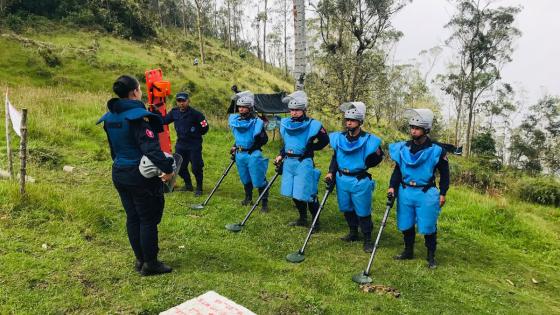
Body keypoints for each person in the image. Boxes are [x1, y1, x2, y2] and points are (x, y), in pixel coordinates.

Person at [97, 75, 174, 276]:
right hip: (139, 174)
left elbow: (113, 148)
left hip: (119, 171)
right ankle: (150, 263)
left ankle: (140, 259)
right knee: (148, 218)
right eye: (139, 89)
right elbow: (150, 148)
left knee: (133, 217)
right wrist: (167, 168)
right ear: (134, 92)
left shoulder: (110, 117)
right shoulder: (138, 117)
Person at [388, 108, 450, 269]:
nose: (413, 131)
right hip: (406, 190)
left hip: (426, 192)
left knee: (429, 225)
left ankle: (431, 256)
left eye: (417, 128)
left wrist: (443, 193)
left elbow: (445, 173)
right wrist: (392, 187)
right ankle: (408, 251)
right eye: (412, 128)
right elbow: (397, 170)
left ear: (426, 130)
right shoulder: (404, 148)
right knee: (406, 223)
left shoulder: (437, 150)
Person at [325, 102, 384, 253]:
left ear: (359, 122)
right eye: (347, 120)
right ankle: (353, 232)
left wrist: (366, 162)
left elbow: (377, 158)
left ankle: (368, 239)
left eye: (352, 120)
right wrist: (331, 171)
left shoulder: (369, 140)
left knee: (363, 211)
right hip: (342, 178)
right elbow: (335, 157)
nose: (348, 122)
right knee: (347, 208)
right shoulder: (339, 138)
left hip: (359, 180)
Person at [274, 91, 329, 230]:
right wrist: (281, 154)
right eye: (292, 110)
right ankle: (302, 218)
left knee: (309, 193)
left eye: (297, 110)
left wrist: (311, 147)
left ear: (303, 110)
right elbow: (287, 143)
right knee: (294, 191)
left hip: (303, 162)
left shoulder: (313, 125)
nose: (293, 113)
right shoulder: (286, 124)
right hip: (289, 162)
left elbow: (324, 140)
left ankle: (316, 222)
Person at [228, 91, 270, 212]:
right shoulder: (237, 121)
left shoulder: (256, 122)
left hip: (253, 154)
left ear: (250, 108)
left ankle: (264, 203)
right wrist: (235, 146)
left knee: (258, 178)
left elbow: (264, 139)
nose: (241, 109)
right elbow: (240, 138)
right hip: (240, 154)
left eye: (244, 107)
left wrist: (253, 147)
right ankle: (248, 198)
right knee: (245, 178)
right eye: (240, 107)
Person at [161, 92, 209, 196]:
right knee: (180, 167)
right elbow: (164, 121)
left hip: (194, 145)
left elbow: (205, 128)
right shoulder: (174, 112)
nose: (181, 103)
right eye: (179, 101)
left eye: (184, 101)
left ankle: (199, 188)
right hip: (181, 145)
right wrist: (154, 113)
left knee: (196, 167)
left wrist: (196, 134)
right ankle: (188, 185)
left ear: (188, 101)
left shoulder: (196, 114)